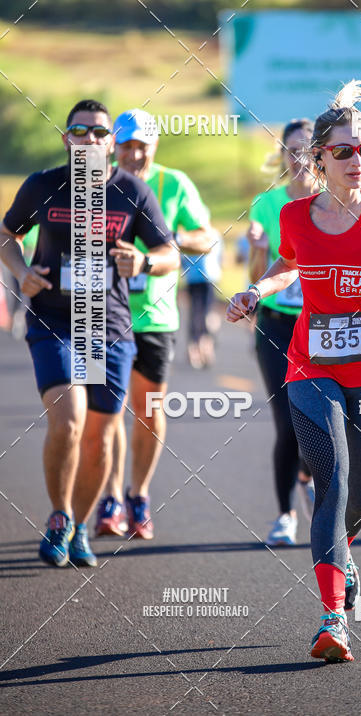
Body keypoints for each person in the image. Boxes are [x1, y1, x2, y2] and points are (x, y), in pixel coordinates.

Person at [226, 80, 361, 663]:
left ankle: (344, 554)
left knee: (360, 500)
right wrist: (256, 288)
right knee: (332, 478)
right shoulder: (297, 215)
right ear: (320, 158)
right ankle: (332, 621)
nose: (358, 160)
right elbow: (285, 265)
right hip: (310, 365)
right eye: (345, 150)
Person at [0, 100, 179, 567]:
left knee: (99, 437)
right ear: (66, 139)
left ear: (109, 143)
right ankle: (59, 516)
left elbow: (170, 253)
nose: (90, 140)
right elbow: (6, 234)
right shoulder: (43, 185)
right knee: (70, 417)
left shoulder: (132, 191)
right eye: (79, 131)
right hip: (56, 319)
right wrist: (21, 273)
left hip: (108, 327)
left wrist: (144, 262)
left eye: (99, 133)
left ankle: (80, 526)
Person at [95, 109, 215, 539]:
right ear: (113, 146)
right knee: (104, 411)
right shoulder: (96, 182)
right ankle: (109, 499)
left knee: (148, 410)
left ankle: (138, 495)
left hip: (154, 315)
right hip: (102, 312)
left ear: (155, 146)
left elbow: (206, 235)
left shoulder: (173, 183)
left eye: (143, 145)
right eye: (126, 144)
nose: (135, 153)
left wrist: (167, 237)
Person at [247, 119, 318, 546]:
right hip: (275, 326)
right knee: (287, 424)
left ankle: (308, 473)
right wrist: (257, 250)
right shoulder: (266, 205)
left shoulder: (333, 204)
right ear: (282, 155)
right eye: (292, 150)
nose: (300, 159)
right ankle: (286, 514)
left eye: (308, 149)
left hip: (319, 326)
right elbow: (255, 279)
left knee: (317, 421)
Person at [186, 233, 223, 369]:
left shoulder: (189, 235)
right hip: (206, 279)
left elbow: (183, 259)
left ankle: (199, 348)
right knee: (204, 314)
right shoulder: (215, 234)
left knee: (198, 314)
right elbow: (220, 258)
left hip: (198, 278)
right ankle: (201, 348)